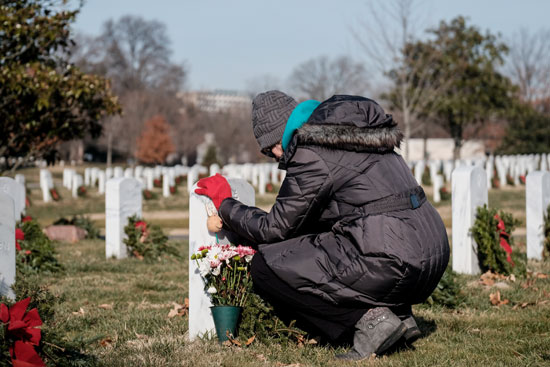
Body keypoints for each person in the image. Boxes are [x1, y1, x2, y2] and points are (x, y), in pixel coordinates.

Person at [195, 91, 450, 360]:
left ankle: (370, 320)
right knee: (320, 246)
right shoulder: (352, 135)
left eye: (270, 151)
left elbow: (275, 228)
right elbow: (310, 223)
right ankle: (401, 315)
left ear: (278, 138)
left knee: (266, 267)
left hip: (392, 259)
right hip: (430, 255)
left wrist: (225, 205)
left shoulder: (311, 151)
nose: (276, 159)